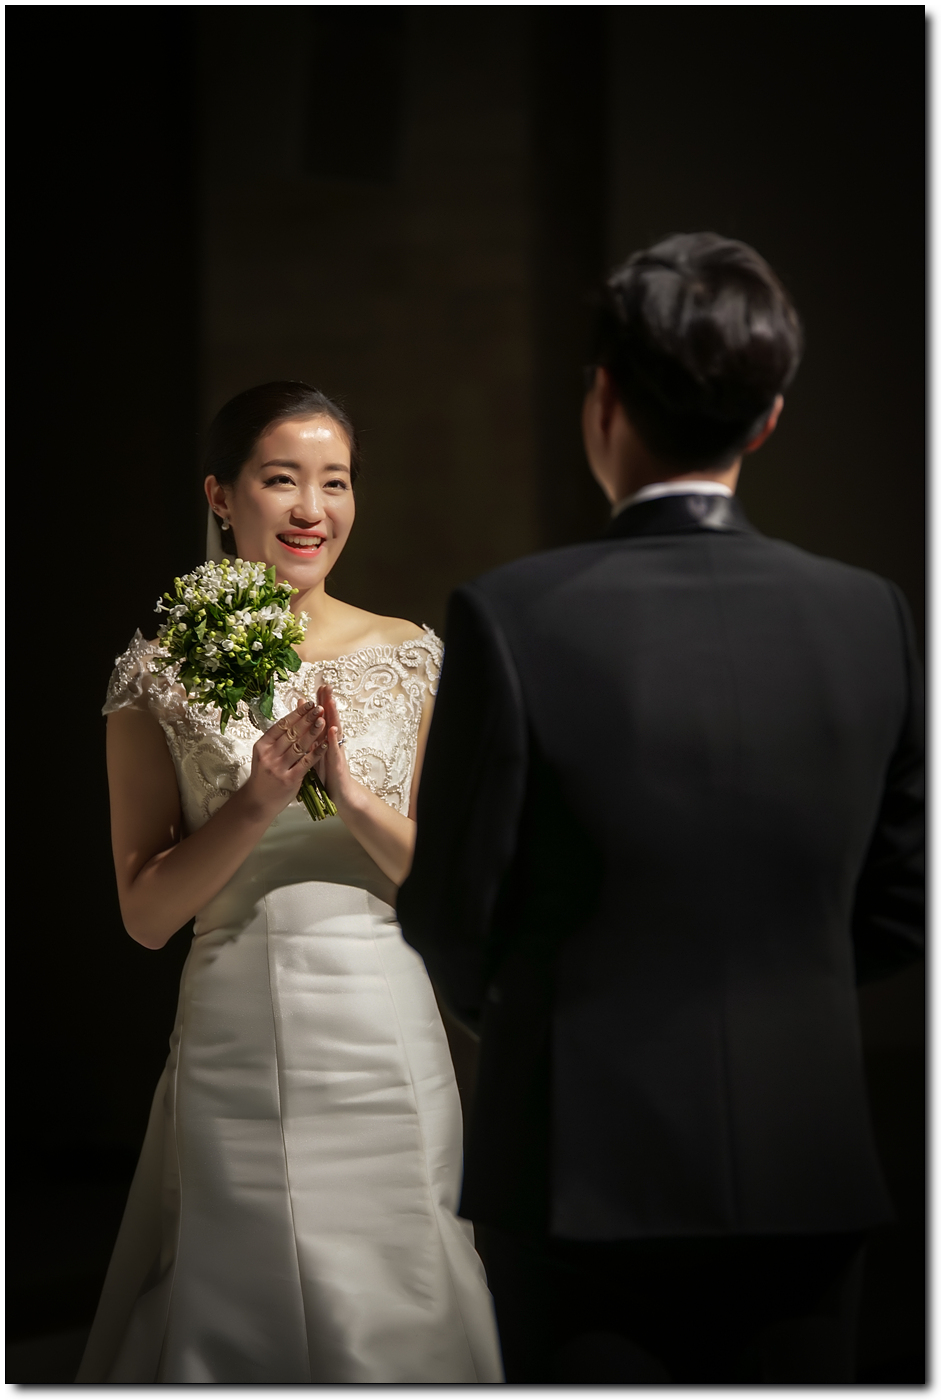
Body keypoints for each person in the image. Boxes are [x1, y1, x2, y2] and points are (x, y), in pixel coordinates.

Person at [396, 233, 925, 1383]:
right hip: (804, 1165)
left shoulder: (510, 615)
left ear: (602, 397)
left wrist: (550, 1013)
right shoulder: (870, 616)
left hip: (578, 1174)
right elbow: (903, 907)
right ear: (767, 416)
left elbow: (447, 910)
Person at [77, 381, 503, 1384]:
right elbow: (145, 915)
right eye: (282, 479)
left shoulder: (411, 657)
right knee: (240, 1299)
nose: (313, 508)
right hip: (238, 1029)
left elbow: (449, 886)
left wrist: (350, 800)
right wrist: (258, 799)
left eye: (336, 482)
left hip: (386, 1026)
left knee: (407, 1290)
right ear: (221, 496)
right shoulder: (156, 671)